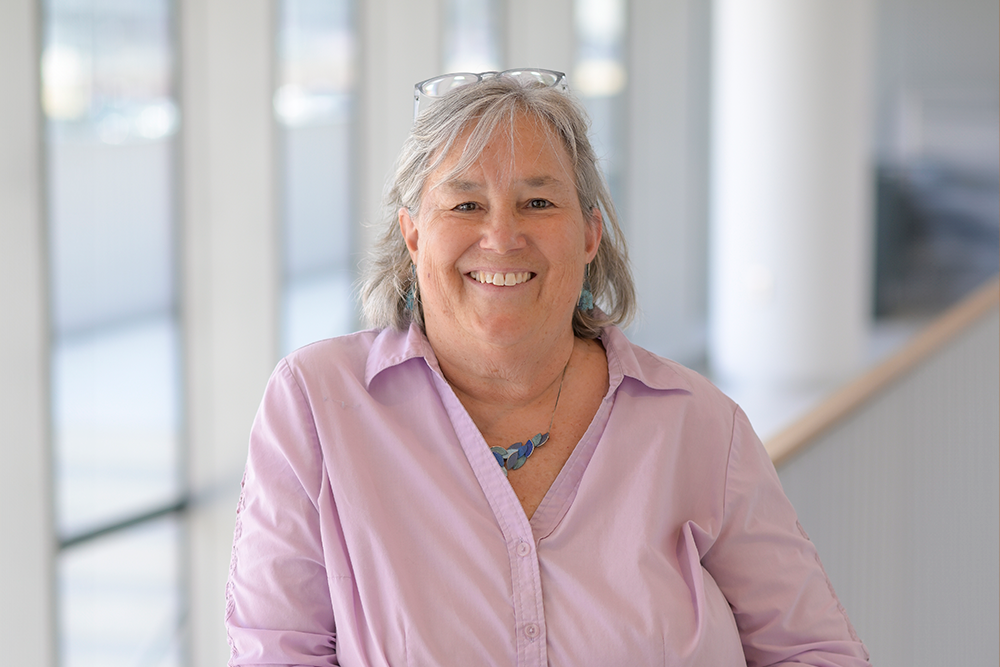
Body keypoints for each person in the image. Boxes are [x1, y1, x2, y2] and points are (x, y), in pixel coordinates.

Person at [225, 69, 870, 667]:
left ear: (590, 235)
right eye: (464, 204)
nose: (502, 237)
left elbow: (812, 650)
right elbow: (276, 652)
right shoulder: (314, 406)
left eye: (538, 203)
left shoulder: (699, 425)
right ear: (414, 233)